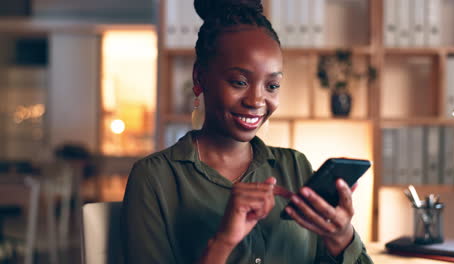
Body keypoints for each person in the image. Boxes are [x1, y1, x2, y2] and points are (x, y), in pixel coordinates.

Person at [121, 0, 374, 263]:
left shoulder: (294, 167)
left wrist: (341, 237)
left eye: (272, 85)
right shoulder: (155, 178)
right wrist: (222, 242)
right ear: (199, 78)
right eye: (240, 82)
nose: (256, 100)